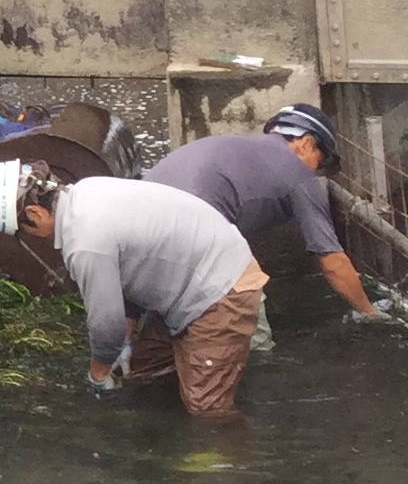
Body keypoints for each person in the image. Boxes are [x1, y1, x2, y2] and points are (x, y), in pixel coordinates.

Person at [0, 160, 267, 419]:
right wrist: (125, 341)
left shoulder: (84, 243)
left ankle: (231, 469)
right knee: (145, 373)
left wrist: (98, 371)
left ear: (34, 213)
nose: (32, 237)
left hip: (220, 290)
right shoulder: (86, 189)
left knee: (207, 410)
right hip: (196, 274)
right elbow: (132, 267)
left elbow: (105, 324)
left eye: (25, 231)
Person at [144, 104, 381, 351]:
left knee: (158, 320)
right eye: (319, 162)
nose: (315, 172)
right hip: (193, 230)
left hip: (139, 220)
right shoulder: (299, 175)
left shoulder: (233, 148)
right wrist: (369, 313)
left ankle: (125, 368)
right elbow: (332, 261)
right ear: (306, 143)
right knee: (252, 330)